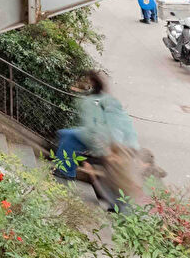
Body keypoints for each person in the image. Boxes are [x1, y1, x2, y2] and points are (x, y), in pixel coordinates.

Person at [54, 71, 144, 209]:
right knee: (118, 177)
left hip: (108, 144)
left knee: (67, 137)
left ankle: (65, 172)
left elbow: (93, 130)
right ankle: (119, 205)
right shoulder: (109, 100)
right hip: (125, 144)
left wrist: (103, 151)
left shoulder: (89, 103)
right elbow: (121, 122)